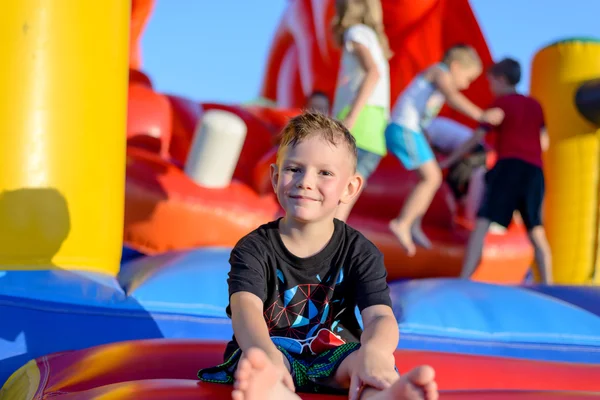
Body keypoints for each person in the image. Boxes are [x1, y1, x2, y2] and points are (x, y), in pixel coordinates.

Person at [198, 112, 438, 400]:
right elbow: (245, 310)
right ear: (275, 178)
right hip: (273, 351)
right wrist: (265, 354)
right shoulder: (254, 248)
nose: (305, 182)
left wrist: (375, 351)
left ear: (349, 188)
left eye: (324, 173)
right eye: (294, 169)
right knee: (257, 366)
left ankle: (384, 396)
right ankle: (275, 392)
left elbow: (379, 316)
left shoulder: (359, 251)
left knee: (364, 362)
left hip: (335, 357)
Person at [438, 58, 552, 284]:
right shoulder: (534, 105)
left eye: (491, 82)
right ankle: (550, 285)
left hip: (509, 168)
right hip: (534, 171)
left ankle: (464, 278)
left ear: (501, 79)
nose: (490, 87)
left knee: (482, 223)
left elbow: (475, 139)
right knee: (536, 231)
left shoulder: (501, 104)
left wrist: (449, 160)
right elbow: (544, 142)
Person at [385, 44, 504, 256]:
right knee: (432, 178)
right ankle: (402, 223)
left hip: (412, 131)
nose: (466, 86)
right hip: (403, 128)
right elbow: (451, 94)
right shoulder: (438, 72)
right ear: (456, 67)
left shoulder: (436, 78)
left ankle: (413, 224)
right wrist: (481, 116)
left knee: (429, 179)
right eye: (467, 79)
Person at [331, 0, 392, 222]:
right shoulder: (373, 38)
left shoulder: (355, 33)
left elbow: (372, 72)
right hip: (374, 129)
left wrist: (350, 117)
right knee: (340, 206)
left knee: (330, 200)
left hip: (359, 122)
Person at [426, 117, 488, 222]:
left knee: (452, 185)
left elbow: (428, 154)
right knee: (457, 186)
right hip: (472, 152)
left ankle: (455, 217)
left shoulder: (428, 130)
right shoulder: (434, 126)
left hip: (474, 152)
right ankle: (460, 214)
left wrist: (447, 162)